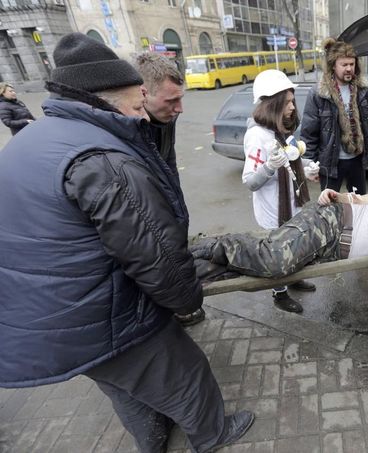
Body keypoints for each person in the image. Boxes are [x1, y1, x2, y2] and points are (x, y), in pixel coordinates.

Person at [0, 33, 253, 453]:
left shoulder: (32, 139)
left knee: (118, 380)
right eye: (139, 106)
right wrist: (188, 302)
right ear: (108, 100)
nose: (141, 117)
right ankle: (212, 435)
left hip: (35, 312)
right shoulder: (103, 160)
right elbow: (157, 259)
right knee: (184, 371)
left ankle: (151, 440)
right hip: (93, 309)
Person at [191, 188, 368, 278]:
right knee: (275, 261)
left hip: (332, 250)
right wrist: (334, 195)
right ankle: (212, 245)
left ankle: (189, 265)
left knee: (249, 271)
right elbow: (359, 199)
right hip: (331, 221)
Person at [133, 52, 206, 328]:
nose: (180, 109)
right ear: (143, 94)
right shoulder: (127, 124)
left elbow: (169, 161)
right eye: (171, 101)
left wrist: (177, 205)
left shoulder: (167, 119)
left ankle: (176, 306)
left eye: (181, 98)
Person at [244, 69, 320, 313]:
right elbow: (250, 182)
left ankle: (294, 278)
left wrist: (308, 167)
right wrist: (269, 166)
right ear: (272, 104)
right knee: (278, 253)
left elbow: (291, 160)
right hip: (273, 210)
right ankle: (280, 293)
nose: (292, 108)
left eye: (292, 101)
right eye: (287, 102)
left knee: (294, 245)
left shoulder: (281, 130)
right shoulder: (257, 136)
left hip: (292, 203)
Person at [300, 37, 368, 195]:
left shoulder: (365, 90)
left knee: (359, 203)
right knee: (329, 206)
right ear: (333, 66)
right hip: (330, 162)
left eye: (351, 64)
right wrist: (309, 164)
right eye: (344, 65)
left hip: (357, 159)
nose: (349, 68)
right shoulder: (319, 93)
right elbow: (309, 132)